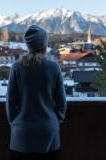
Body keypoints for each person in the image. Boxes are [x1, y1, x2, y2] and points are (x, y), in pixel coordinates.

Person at [6, 25, 67, 160]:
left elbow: (10, 101)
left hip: (21, 134)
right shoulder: (53, 67)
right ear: (44, 45)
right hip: (48, 132)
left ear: (28, 46)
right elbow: (61, 102)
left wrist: (15, 120)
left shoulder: (16, 67)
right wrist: (56, 119)